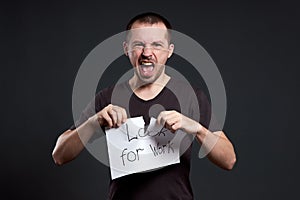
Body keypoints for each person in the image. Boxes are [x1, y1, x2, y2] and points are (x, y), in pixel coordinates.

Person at [52, 12, 236, 200]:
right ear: (126, 48)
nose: (147, 53)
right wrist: (94, 122)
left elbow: (229, 160)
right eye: (139, 44)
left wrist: (196, 128)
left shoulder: (190, 97)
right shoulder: (107, 98)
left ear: (169, 50)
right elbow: (59, 155)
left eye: (157, 45)